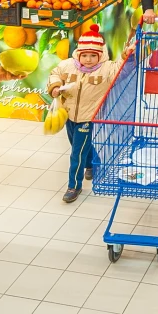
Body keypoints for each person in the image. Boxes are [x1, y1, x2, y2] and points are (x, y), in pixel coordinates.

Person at [47, 24, 126, 203]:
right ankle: (93, 164)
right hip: (68, 115)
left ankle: (74, 186)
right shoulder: (67, 65)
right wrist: (55, 86)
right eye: (85, 55)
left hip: (88, 117)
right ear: (78, 53)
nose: (88, 60)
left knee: (77, 153)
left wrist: (127, 55)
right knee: (79, 146)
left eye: (93, 55)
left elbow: (121, 69)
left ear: (100, 55)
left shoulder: (106, 69)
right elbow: (55, 74)